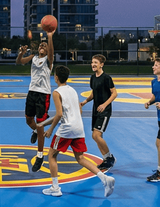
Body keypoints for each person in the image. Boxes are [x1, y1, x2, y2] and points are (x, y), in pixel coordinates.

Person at [39, 65, 115, 198]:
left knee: (52, 155)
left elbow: (59, 114)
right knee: (80, 158)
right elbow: (78, 110)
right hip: (78, 128)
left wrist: (50, 129)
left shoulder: (57, 93)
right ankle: (105, 179)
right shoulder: (72, 90)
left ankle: (55, 188)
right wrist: (44, 124)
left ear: (56, 77)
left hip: (66, 129)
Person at [15, 30, 54, 172]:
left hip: (43, 95)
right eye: (40, 45)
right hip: (32, 92)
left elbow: (51, 52)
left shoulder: (49, 60)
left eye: (44, 45)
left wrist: (49, 37)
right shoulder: (34, 57)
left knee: (40, 124)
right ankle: (37, 132)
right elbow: (19, 61)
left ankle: (40, 156)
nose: (42, 46)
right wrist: (22, 53)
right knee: (28, 120)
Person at [79, 54, 118, 172]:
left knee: (96, 135)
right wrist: (85, 102)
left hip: (104, 110)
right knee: (96, 136)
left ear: (101, 64)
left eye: (96, 62)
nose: (93, 64)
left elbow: (114, 93)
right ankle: (106, 159)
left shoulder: (106, 78)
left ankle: (110, 158)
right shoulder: (93, 77)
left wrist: (104, 105)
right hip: (95, 109)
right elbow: (94, 93)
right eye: (92, 62)